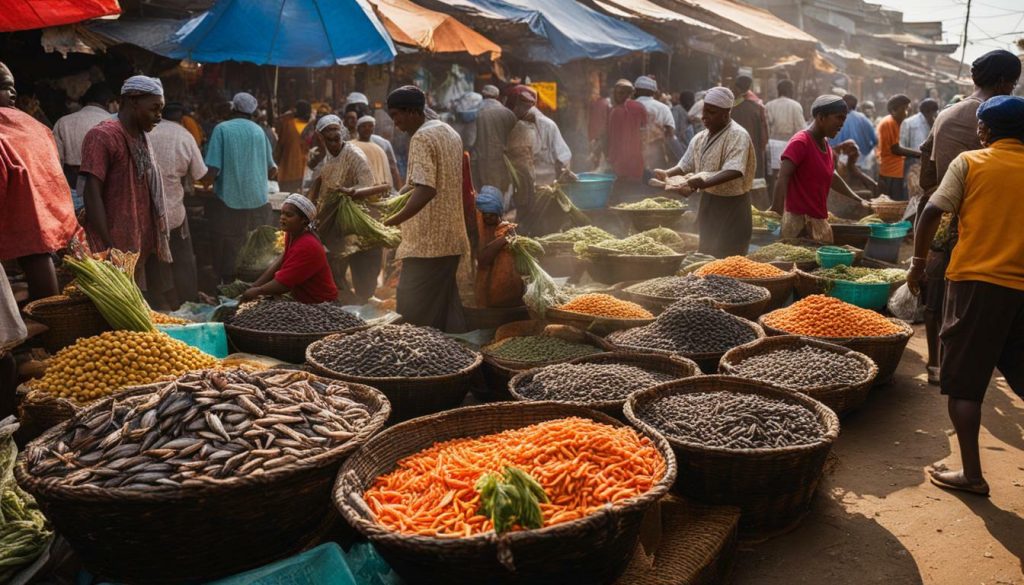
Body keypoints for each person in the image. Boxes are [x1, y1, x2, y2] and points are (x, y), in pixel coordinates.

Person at [908, 95, 1024, 497]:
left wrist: (918, 263)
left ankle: (972, 474)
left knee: (965, 386)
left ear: (985, 131)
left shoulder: (971, 162)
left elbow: (931, 211)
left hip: (976, 284)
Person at [915, 49, 1021, 386]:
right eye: (1014, 83)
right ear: (1005, 82)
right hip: (997, 229)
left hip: (946, 221)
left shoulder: (947, 113)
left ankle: (938, 363)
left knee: (938, 297)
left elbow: (926, 175)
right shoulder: (1011, 119)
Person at [382, 85, 471, 332]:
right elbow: (434, 182)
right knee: (441, 310)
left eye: (396, 116)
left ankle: (416, 363)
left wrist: (393, 220)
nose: (395, 123)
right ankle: (450, 361)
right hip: (450, 238)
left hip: (426, 244)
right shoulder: (449, 131)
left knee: (411, 311)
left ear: (412, 112)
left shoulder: (421, 137)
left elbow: (427, 189)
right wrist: (396, 197)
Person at [80, 75, 171, 293]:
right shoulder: (103, 135)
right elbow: (92, 194)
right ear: (133, 101)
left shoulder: (141, 136)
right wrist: (109, 245)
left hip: (135, 245)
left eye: (161, 109)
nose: (159, 116)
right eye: (155, 108)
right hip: (110, 246)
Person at [0, 62, 81, 301]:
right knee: (37, 257)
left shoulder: (19, 126)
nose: (13, 93)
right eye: (4, 87)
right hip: (41, 209)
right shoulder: (33, 125)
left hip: (23, 205)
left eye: (12, 87)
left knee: (36, 257)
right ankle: (48, 324)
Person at [653, 87, 756, 258]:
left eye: (711, 112)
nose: (704, 117)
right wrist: (667, 174)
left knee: (730, 261)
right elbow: (686, 164)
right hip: (709, 203)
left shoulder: (738, 135)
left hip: (733, 207)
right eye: (704, 111)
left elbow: (734, 170)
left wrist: (701, 182)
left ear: (726, 114)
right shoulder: (700, 137)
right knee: (707, 256)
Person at [309, 114, 388, 304]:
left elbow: (368, 184)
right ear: (320, 138)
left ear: (341, 134)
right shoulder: (328, 159)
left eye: (337, 139)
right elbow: (321, 186)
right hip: (336, 225)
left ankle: (361, 306)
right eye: (329, 140)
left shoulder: (353, 155)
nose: (334, 143)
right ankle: (346, 304)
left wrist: (352, 192)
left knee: (362, 277)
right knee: (334, 272)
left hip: (357, 222)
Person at [773, 95, 872, 242]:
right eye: (838, 118)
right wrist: (776, 212)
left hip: (819, 221)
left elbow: (832, 176)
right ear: (821, 117)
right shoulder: (800, 142)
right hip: (798, 224)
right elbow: (783, 177)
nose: (841, 124)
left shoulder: (825, 144)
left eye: (844, 119)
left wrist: (858, 199)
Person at [204, 92, 277, 284]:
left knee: (229, 249)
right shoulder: (259, 131)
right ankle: (248, 288)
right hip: (257, 202)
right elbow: (272, 171)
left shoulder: (222, 129)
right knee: (252, 250)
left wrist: (205, 183)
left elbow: (212, 169)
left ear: (233, 108)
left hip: (229, 201)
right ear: (252, 112)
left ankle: (227, 287)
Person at [148, 102, 209, 307]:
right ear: (181, 117)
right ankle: (186, 300)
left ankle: (158, 301)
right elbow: (201, 174)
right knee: (182, 258)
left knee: (153, 259)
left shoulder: (144, 130)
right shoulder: (184, 135)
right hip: (173, 210)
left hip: (145, 209)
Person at [241, 194, 337, 304]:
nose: (282, 217)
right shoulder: (292, 234)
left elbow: (283, 284)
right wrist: (256, 285)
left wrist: (257, 291)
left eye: (289, 215)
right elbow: (281, 260)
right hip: (301, 298)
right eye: (282, 213)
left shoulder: (308, 246)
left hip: (320, 303)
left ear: (304, 221)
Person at [52, 82, 117, 210]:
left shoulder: (63, 122)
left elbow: (55, 165)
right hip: (108, 193)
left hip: (73, 193)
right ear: (108, 102)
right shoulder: (117, 124)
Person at [474, 186, 524, 308]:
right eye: (484, 214)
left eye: (492, 214)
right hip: (486, 289)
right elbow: (483, 260)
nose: (488, 218)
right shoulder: (477, 231)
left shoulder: (507, 229)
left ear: (499, 213)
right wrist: (503, 240)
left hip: (508, 290)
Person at [730, 75, 769, 197]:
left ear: (736, 87)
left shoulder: (731, 107)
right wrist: (762, 147)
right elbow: (764, 134)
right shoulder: (757, 105)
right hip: (754, 147)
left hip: (735, 148)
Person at [475, 84, 517, 194]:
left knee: (483, 194)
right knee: (500, 191)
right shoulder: (509, 114)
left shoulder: (475, 112)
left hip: (480, 161)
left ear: (483, 95)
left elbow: (470, 140)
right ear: (498, 96)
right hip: (502, 160)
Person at [765, 79, 806, 187]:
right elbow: (801, 129)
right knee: (789, 176)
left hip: (772, 144)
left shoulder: (769, 105)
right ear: (790, 90)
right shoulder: (795, 105)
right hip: (790, 145)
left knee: (774, 177)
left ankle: (774, 200)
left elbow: (766, 126)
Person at [898, 98, 939, 204]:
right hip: (912, 165)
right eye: (933, 112)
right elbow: (902, 145)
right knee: (912, 193)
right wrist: (918, 155)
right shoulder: (909, 123)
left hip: (928, 165)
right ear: (927, 112)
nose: (935, 115)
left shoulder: (936, 122)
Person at [605, 79, 647, 182]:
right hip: (637, 163)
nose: (615, 96)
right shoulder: (640, 107)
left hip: (619, 164)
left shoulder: (615, 111)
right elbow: (645, 134)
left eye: (618, 93)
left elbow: (613, 139)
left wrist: (610, 159)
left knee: (621, 194)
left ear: (627, 93)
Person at [634, 76, 679, 171]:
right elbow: (670, 132)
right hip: (656, 151)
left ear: (636, 90)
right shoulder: (663, 108)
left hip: (632, 150)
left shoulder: (629, 106)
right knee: (656, 179)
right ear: (653, 92)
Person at [829, 94, 878, 177]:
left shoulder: (835, 119)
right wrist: (865, 152)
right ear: (855, 106)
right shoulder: (864, 119)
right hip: (863, 165)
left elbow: (830, 144)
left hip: (841, 166)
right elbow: (875, 140)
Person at [876, 94, 911, 199]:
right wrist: (918, 154)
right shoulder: (889, 123)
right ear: (893, 110)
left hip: (895, 169)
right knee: (894, 201)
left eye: (907, 109)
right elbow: (895, 149)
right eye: (903, 109)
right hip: (891, 170)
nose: (906, 112)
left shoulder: (895, 122)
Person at [274, 99, 311, 192]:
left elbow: (280, 146)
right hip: (301, 171)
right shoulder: (308, 126)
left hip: (286, 171)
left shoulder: (287, 123)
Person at [351, 116, 394, 190]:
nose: (367, 128)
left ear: (373, 129)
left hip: (377, 187)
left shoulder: (380, 147)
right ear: (357, 128)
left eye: (370, 126)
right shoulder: (351, 146)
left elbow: (389, 168)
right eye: (364, 126)